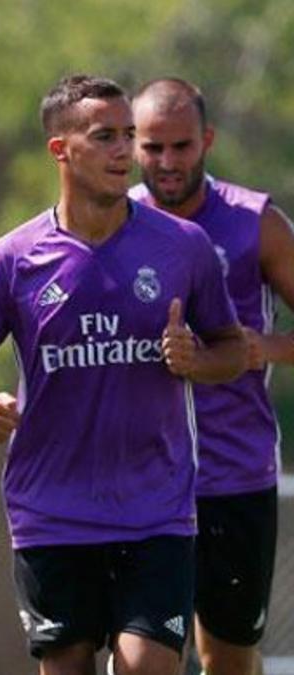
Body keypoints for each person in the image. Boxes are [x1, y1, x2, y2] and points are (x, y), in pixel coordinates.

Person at [0, 74, 247, 675]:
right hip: (52, 514)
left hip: (157, 510)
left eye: (129, 134)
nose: (125, 150)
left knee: (148, 666)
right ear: (61, 149)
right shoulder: (13, 261)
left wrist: (196, 360)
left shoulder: (184, 247)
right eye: (105, 136)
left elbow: (232, 347)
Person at [130, 77, 294, 675]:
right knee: (142, 656)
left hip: (233, 474)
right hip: (140, 478)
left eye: (181, 146)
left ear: (208, 140)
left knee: (225, 656)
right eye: (152, 148)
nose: (167, 162)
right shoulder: (116, 224)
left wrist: (264, 347)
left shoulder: (256, 222)